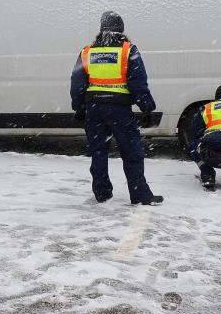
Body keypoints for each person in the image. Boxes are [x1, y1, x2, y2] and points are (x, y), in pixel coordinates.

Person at [70, 11, 163, 205]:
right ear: (121, 30)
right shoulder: (128, 50)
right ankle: (140, 195)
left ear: (101, 29)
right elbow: (138, 83)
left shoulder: (87, 52)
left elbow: (77, 82)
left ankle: (102, 192)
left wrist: (79, 107)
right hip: (120, 110)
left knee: (98, 152)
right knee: (132, 152)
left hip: (94, 109)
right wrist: (147, 108)